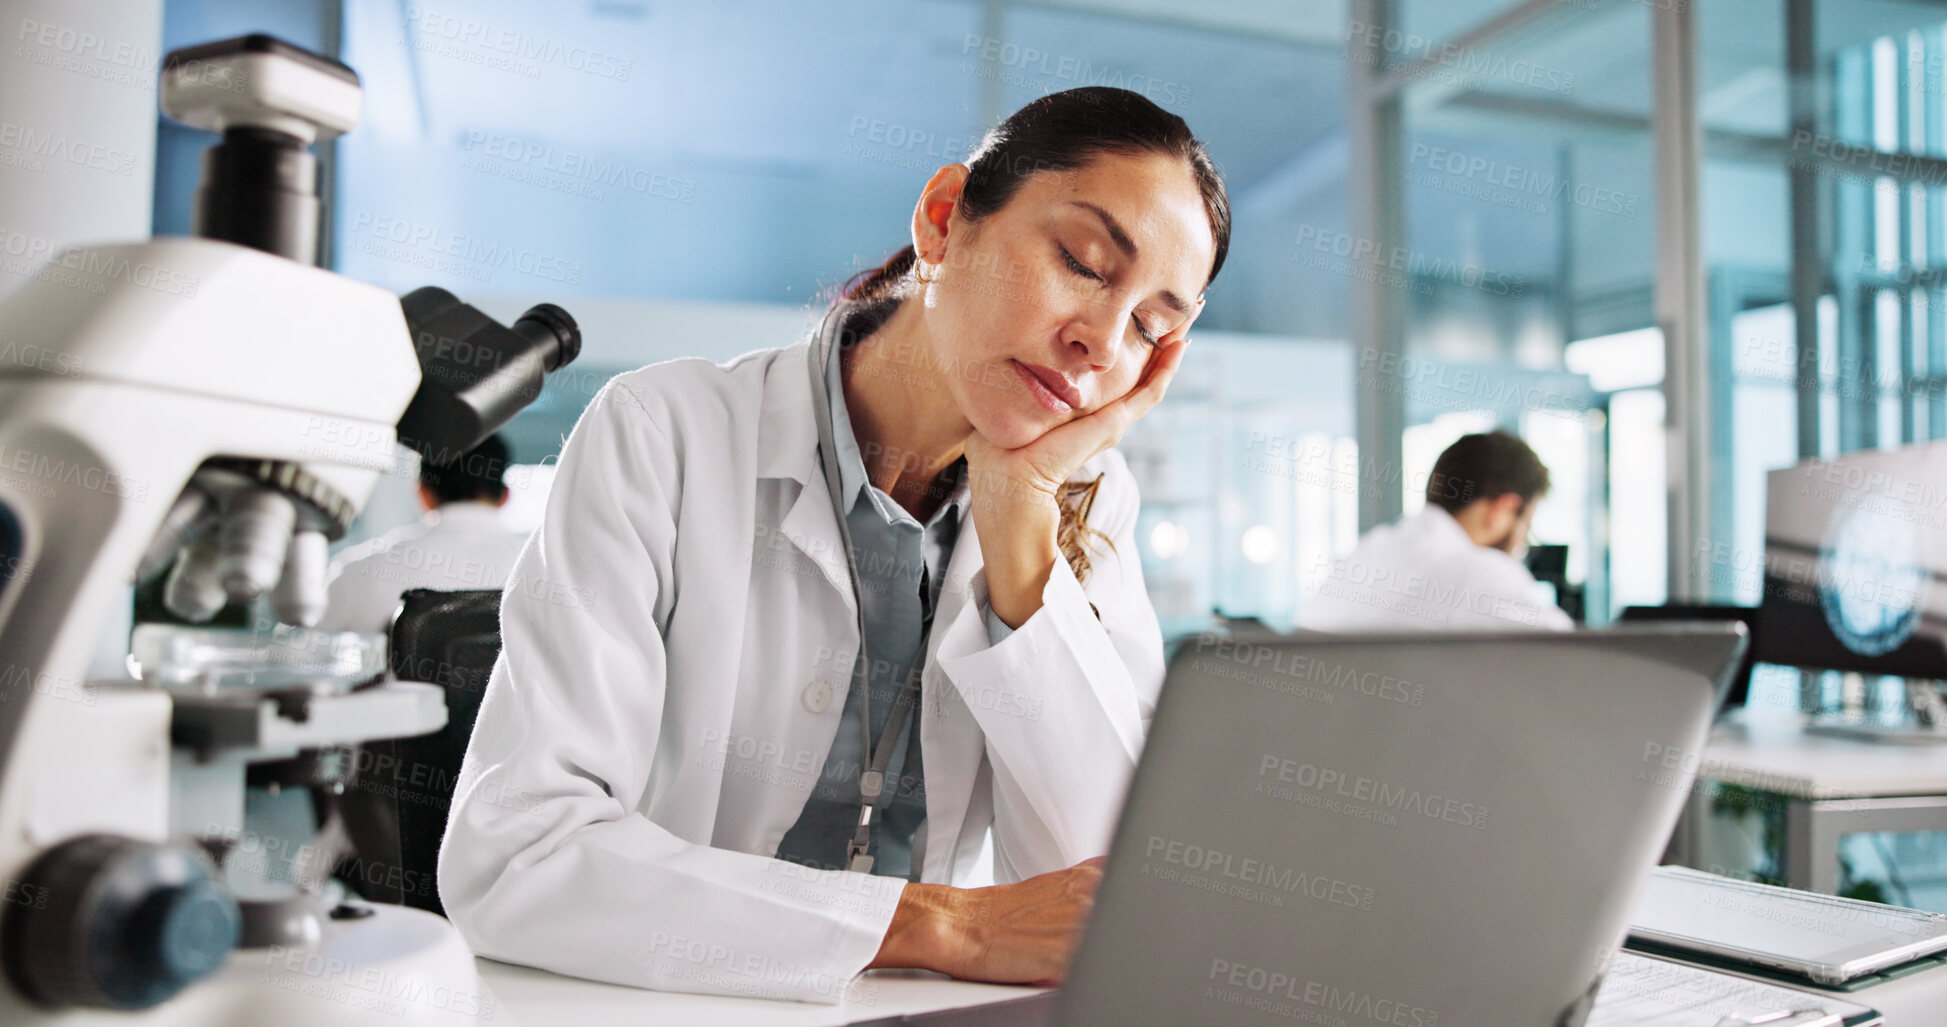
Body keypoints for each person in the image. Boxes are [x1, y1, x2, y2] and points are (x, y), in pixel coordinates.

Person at [437, 86, 1227, 1002]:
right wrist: (939, 922)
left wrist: (1020, 526)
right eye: (1083, 262)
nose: (1099, 340)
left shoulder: (1087, 499)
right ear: (943, 220)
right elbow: (518, 855)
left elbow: (1099, 891)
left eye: (1149, 327)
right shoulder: (666, 430)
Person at [1296, 430, 1573, 632]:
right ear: (1502, 509)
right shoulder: (1479, 571)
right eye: (1526, 524)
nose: (1522, 541)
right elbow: (1572, 655)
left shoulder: (1371, 548)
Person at [314, 434, 527, 634]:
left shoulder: (356, 571)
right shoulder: (540, 572)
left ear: (423, 493)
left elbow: (303, 657)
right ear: (505, 495)